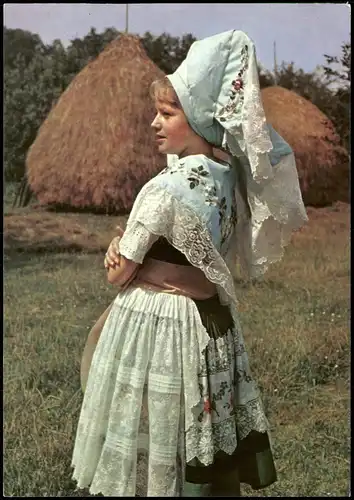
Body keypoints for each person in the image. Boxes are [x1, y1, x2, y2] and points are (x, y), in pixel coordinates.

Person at [71, 29, 308, 497]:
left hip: (163, 326)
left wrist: (121, 254)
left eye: (167, 113)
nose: (155, 124)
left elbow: (120, 274)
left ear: (198, 117)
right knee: (198, 432)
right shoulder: (228, 179)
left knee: (159, 436)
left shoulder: (163, 189)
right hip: (212, 326)